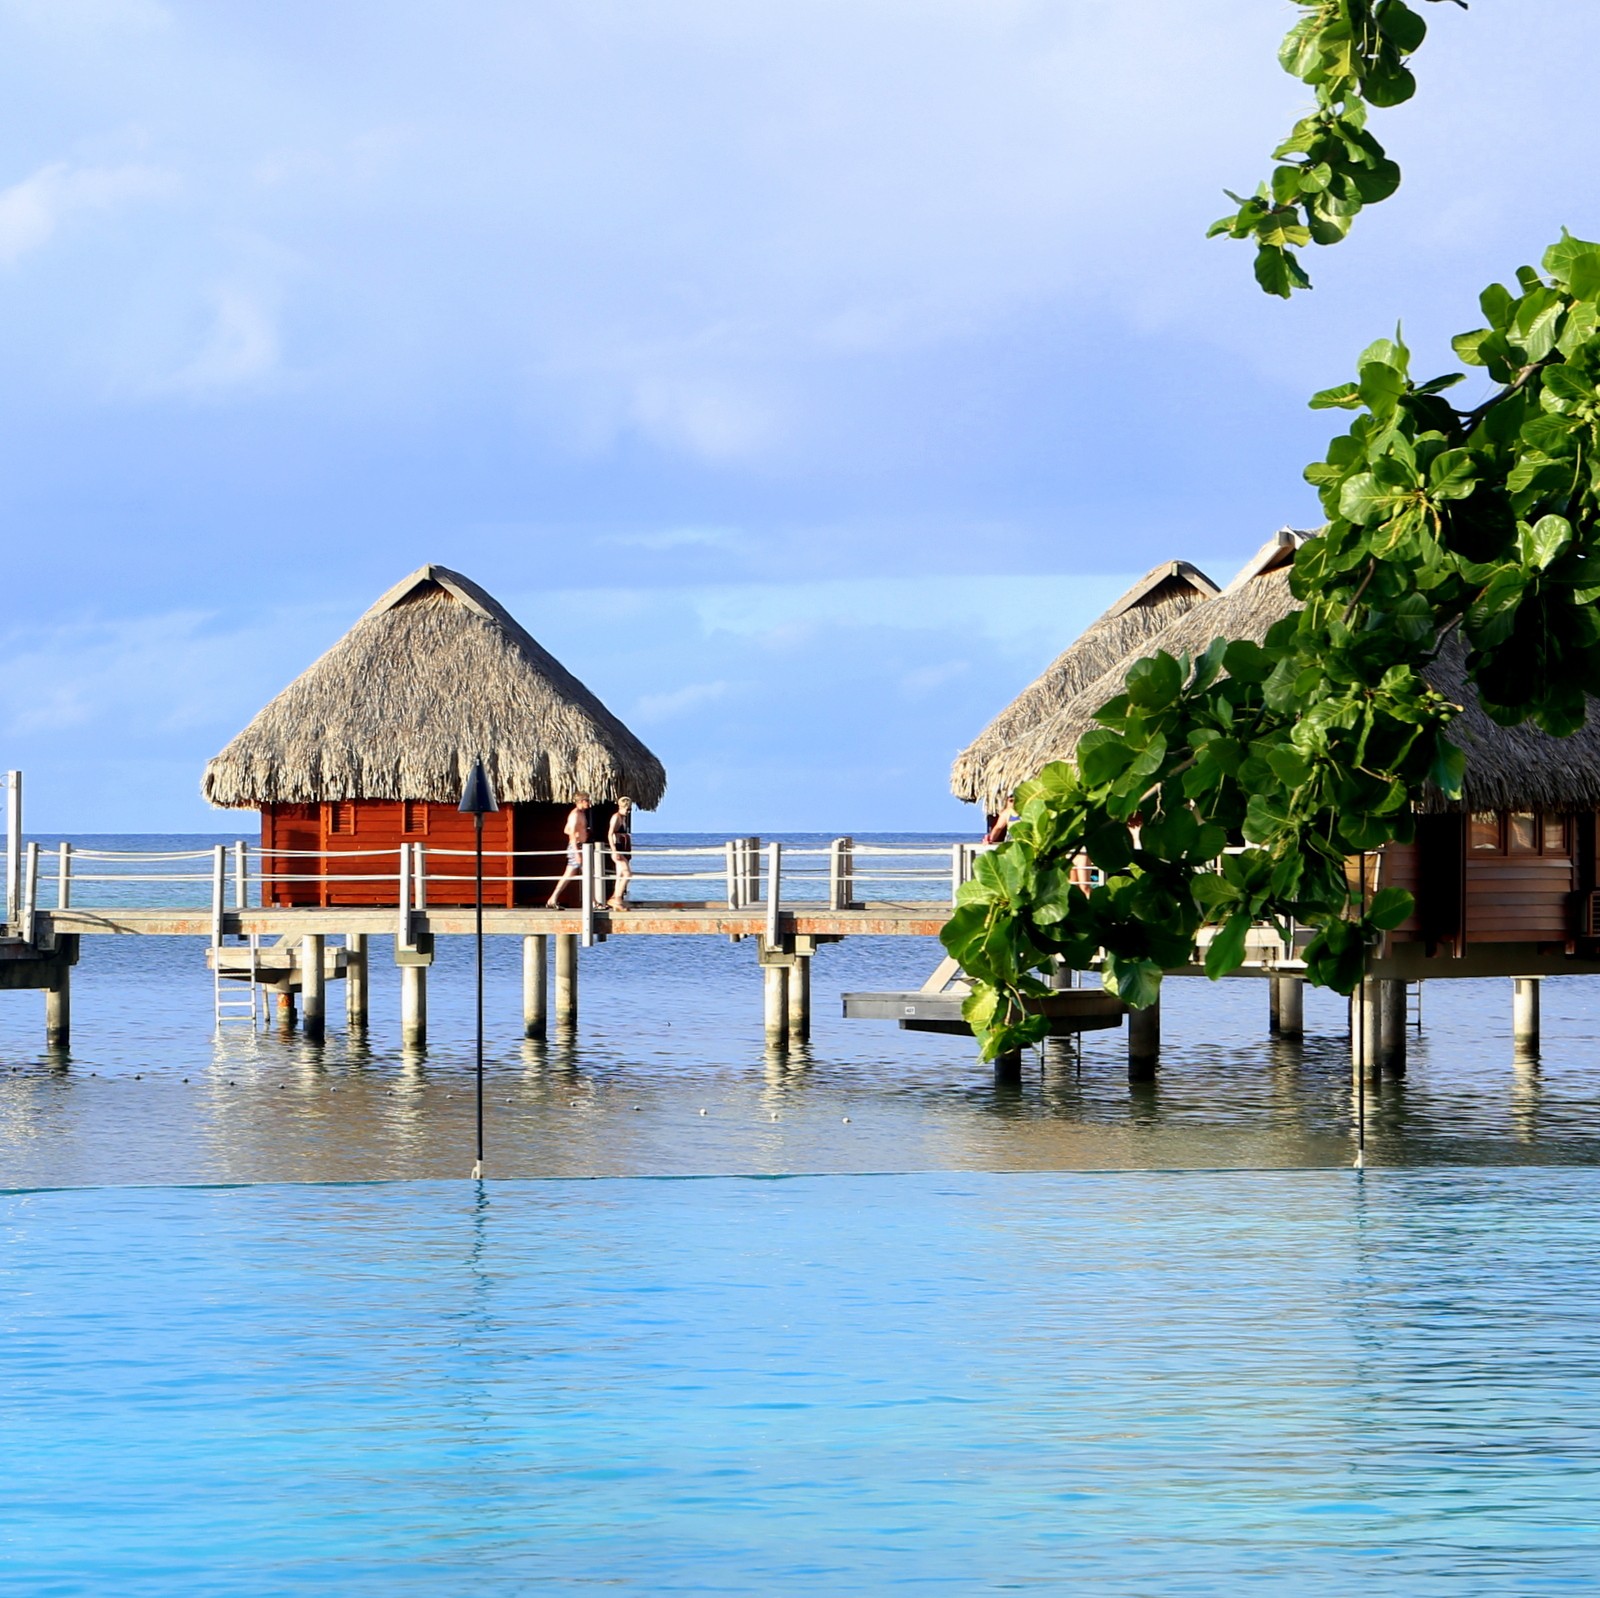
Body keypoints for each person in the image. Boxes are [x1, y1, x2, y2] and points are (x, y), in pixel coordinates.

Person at [546, 793, 590, 907]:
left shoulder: (582, 814)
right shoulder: (574, 815)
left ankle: (552, 899)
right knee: (586, 873)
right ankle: (594, 902)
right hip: (576, 847)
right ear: (580, 801)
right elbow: (570, 833)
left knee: (575, 874)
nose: (589, 803)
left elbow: (566, 829)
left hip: (581, 845)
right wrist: (576, 852)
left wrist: (580, 833)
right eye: (587, 800)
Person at [606, 797, 634, 910]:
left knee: (619, 875)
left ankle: (616, 900)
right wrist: (614, 850)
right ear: (621, 807)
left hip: (622, 848)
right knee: (627, 874)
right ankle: (617, 898)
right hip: (617, 848)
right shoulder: (616, 818)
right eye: (627, 809)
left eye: (630, 810)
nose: (628, 812)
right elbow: (610, 834)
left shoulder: (622, 818)